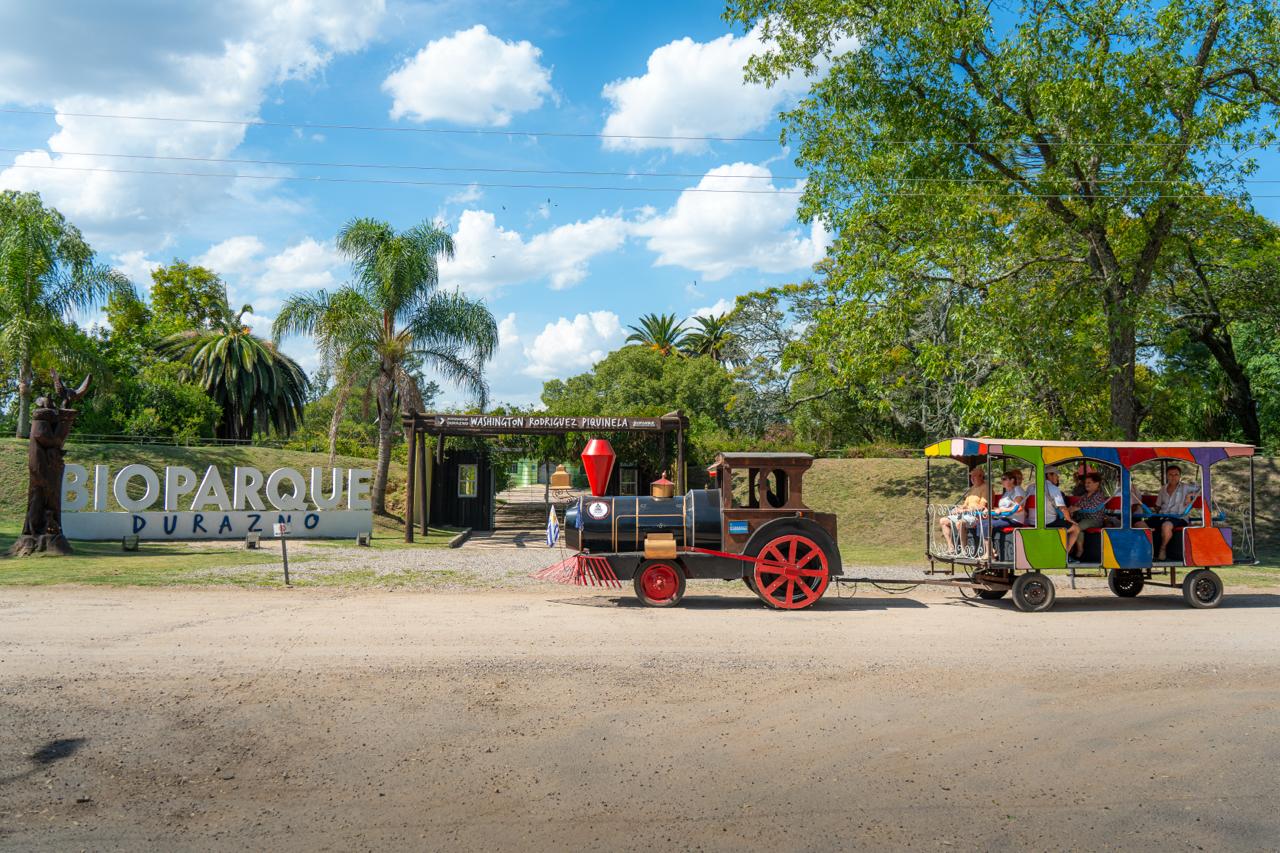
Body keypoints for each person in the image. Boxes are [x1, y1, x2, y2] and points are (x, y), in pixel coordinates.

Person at [1139, 464, 1200, 561]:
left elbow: (1201, 488)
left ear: (1180, 476)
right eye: (1170, 474)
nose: (1173, 477)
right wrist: (1151, 511)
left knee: (1166, 526)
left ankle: (1162, 549)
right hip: (1162, 516)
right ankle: (1148, 547)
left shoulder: (1186, 487)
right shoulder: (1163, 489)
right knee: (1139, 524)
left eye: (1176, 474)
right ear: (1167, 476)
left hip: (1178, 517)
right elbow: (1158, 506)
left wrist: (1190, 495)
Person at [938, 466, 987, 555]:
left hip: (978, 516)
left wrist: (964, 510)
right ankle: (951, 548)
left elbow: (982, 507)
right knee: (943, 521)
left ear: (980, 476)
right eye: (971, 476)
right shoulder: (972, 488)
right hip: (966, 515)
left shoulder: (986, 488)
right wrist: (958, 509)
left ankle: (964, 551)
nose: (971, 478)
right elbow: (965, 505)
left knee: (960, 523)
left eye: (974, 476)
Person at [988, 471, 1028, 559]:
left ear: (1012, 480)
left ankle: (989, 553)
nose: (1002, 481)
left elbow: (1019, 508)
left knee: (987, 524)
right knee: (982, 523)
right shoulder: (1007, 493)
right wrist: (992, 510)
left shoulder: (1017, 489)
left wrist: (1002, 509)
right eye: (1002, 479)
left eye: (1004, 479)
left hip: (1014, 520)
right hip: (1005, 518)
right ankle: (990, 551)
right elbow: (1002, 508)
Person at [1043, 466, 1080, 558]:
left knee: (1065, 524)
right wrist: (1070, 520)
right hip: (1048, 522)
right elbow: (1063, 509)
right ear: (1049, 475)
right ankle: (1064, 554)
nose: (1057, 478)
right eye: (1056, 475)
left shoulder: (1031, 487)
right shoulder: (1053, 488)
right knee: (1075, 528)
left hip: (1032, 522)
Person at [1070, 472, 1109, 558]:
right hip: (1083, 519)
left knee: (1077, 527)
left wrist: (1078, 508)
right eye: (1085, 483)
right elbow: (1078, 504)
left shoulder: (1099, 495)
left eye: (1089, 483)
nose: (1086, 485)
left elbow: (1093, 507)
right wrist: (1072, 508)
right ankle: (1071, 549)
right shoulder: (1085, 495)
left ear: (1096, 483)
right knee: (1071, 525)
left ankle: (1079, 550)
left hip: (1095, 520)